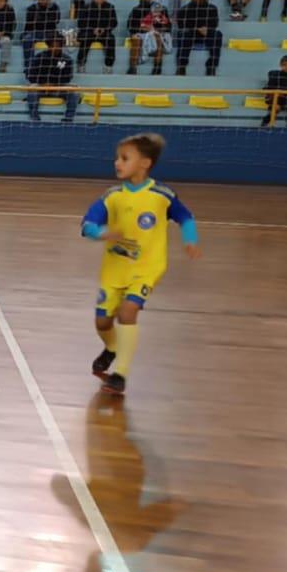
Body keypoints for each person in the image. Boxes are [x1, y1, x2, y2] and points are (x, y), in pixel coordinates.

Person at [81, 134, 202, 395]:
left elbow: (185, 217)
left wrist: (190, 239)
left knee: (128, 312)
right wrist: (102, 233)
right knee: (102, 323)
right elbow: (87, 225)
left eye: (124, 158)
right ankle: (112, 348)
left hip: (147, 268)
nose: (117, 163)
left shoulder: (161, 195)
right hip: (114, 270)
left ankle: (120, 374)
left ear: (145, 163)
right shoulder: (112, 196)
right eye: (117, 158)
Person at [175, 0, 222, 76]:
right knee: (184, 34)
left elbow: (215, 23)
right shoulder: (184, 9)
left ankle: (211, 66)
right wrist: (196, 29)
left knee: (217, 35)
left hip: (206, 33)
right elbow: (181, 25)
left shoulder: (212, 8)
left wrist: (207, 29)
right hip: (190, 33)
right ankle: (181, 66)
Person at [26, 37, 77, 121]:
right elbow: (31, 75)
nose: (56, 48)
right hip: (41, 87)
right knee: (32, 90)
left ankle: (68, 117)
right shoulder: (39, 57)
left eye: (58, 46)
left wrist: (54, 84)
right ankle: (34, 117)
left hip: (58, 88)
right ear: (49, 47)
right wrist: (43, 83)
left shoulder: (67, 59)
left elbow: (68, 77)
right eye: (54, 46)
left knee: (74, 93)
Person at [77, 0, 118, 73]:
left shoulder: (110, 7)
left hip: (104, 33)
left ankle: (108, 66)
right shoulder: (86, 7)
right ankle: (81, 64)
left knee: (110, 39)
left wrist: (104, 29)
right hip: (88, 32)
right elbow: (80, 23)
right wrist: (93, 30)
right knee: (85, 38)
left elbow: (114, 23)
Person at [261, 54, 287, 127]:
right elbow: (270, 89)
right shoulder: (274, 75)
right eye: (284, 65)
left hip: (286, 99)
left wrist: (284, 97)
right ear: (280, 65)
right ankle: (265, 122)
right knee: (277, 107)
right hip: (274, 98)